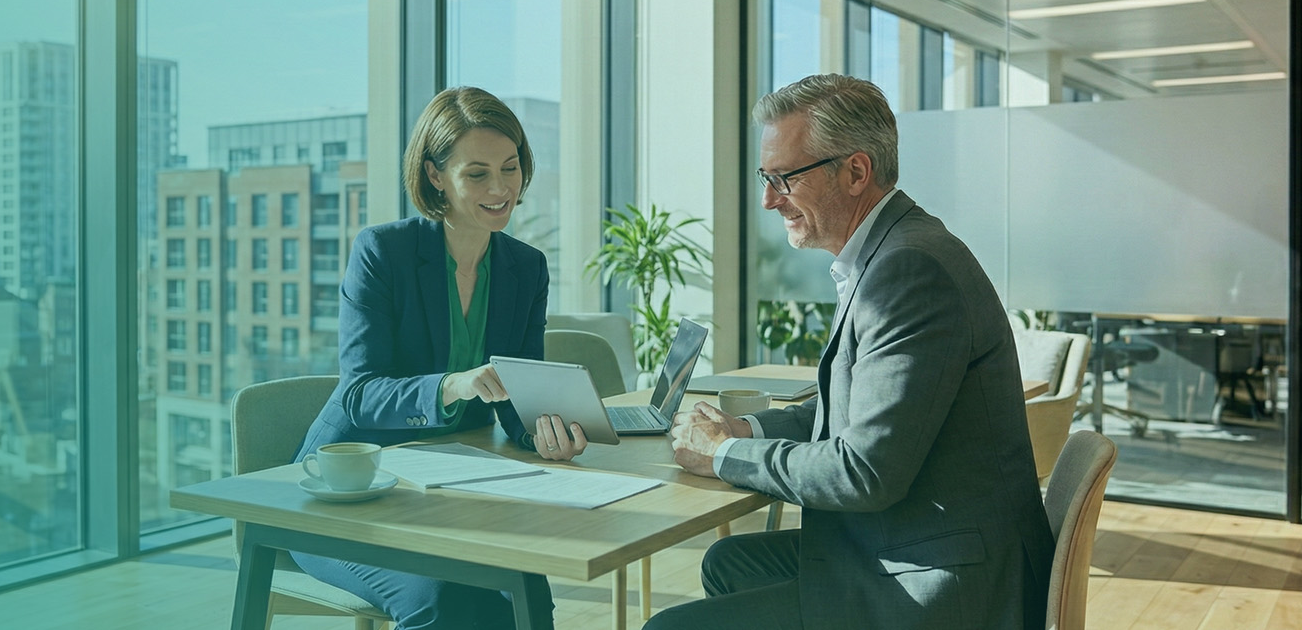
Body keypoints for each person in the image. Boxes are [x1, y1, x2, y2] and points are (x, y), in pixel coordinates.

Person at [650, 74, 1054, 630]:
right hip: (921, 541)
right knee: (730, 560)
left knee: (668, 628)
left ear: (856, 172)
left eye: (785, 178)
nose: (769, 199)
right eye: (766, 178)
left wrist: (724, 453)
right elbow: (851, 410)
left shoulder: (908, 270)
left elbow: (864, 471)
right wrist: (745, 430)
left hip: (945, 583)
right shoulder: (892, 252)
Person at [292, 86, 585, 630]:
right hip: (348, 492)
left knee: (524, 591)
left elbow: (517, 396)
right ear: (435, 175)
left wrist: (543, 434)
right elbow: (359, 394)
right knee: (437, 598)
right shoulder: (383, 252)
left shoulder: (526, 267)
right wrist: (452, 384)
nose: (500, 188)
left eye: (511, 167)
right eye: (477, 174)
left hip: (446, 488)